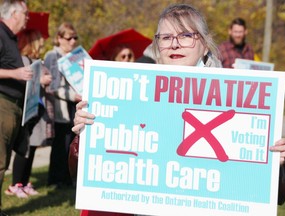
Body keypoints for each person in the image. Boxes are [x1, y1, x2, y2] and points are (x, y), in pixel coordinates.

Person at [72, 3, 221, 216]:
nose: (175, 45)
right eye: (166, 37)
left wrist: (277, 162)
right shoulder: (130, 92)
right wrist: (84, 135)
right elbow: (86, 174)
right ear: (157, 44)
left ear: (205, 45)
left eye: (186, 35)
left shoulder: (231, 97)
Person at [4, 29, 52, 198]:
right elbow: (24, 82)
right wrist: (39, 80)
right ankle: (16, 184)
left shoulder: (37, 61)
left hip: (37, 109)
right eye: (40, 40)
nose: (43, 43)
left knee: (32, 147)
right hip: (27, 109)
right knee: (24, 147)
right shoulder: (23, 60)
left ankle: (24, 182)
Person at [0, 0, 32, 214]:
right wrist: (16, 74)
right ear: (14, 13)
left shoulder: (11, 38)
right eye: (26, 14)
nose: (27, 19)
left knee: (3, 162)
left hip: (13, 106)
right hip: (2, 104)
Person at [44, 22, 82, 188]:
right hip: (59, 108)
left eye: (75, 38)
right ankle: (56, 179)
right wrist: (73, 95)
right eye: (69, 38)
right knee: (60, 145)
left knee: (70, 144)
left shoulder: (75, 56)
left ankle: (68, 178)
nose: (72, 41)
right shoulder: (52, 56)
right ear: (59, 38)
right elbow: (52, 87)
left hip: (73, 106)